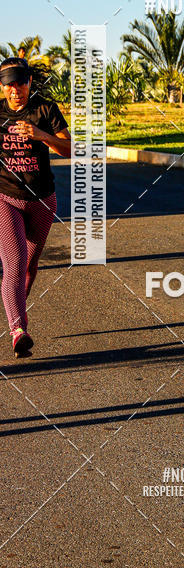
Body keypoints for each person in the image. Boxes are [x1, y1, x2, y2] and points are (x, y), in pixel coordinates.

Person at [0, 58, 71, 356]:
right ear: (2, 87)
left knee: (29, 265)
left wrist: (41, 135)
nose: (16, 90)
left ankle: (15, 305)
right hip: (5, 197)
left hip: (43, 199)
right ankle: (18, 329)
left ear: (30, 82)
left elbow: (71, 149)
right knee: (14, 263)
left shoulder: (46, 109)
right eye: (9, 85)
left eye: (21, 83)